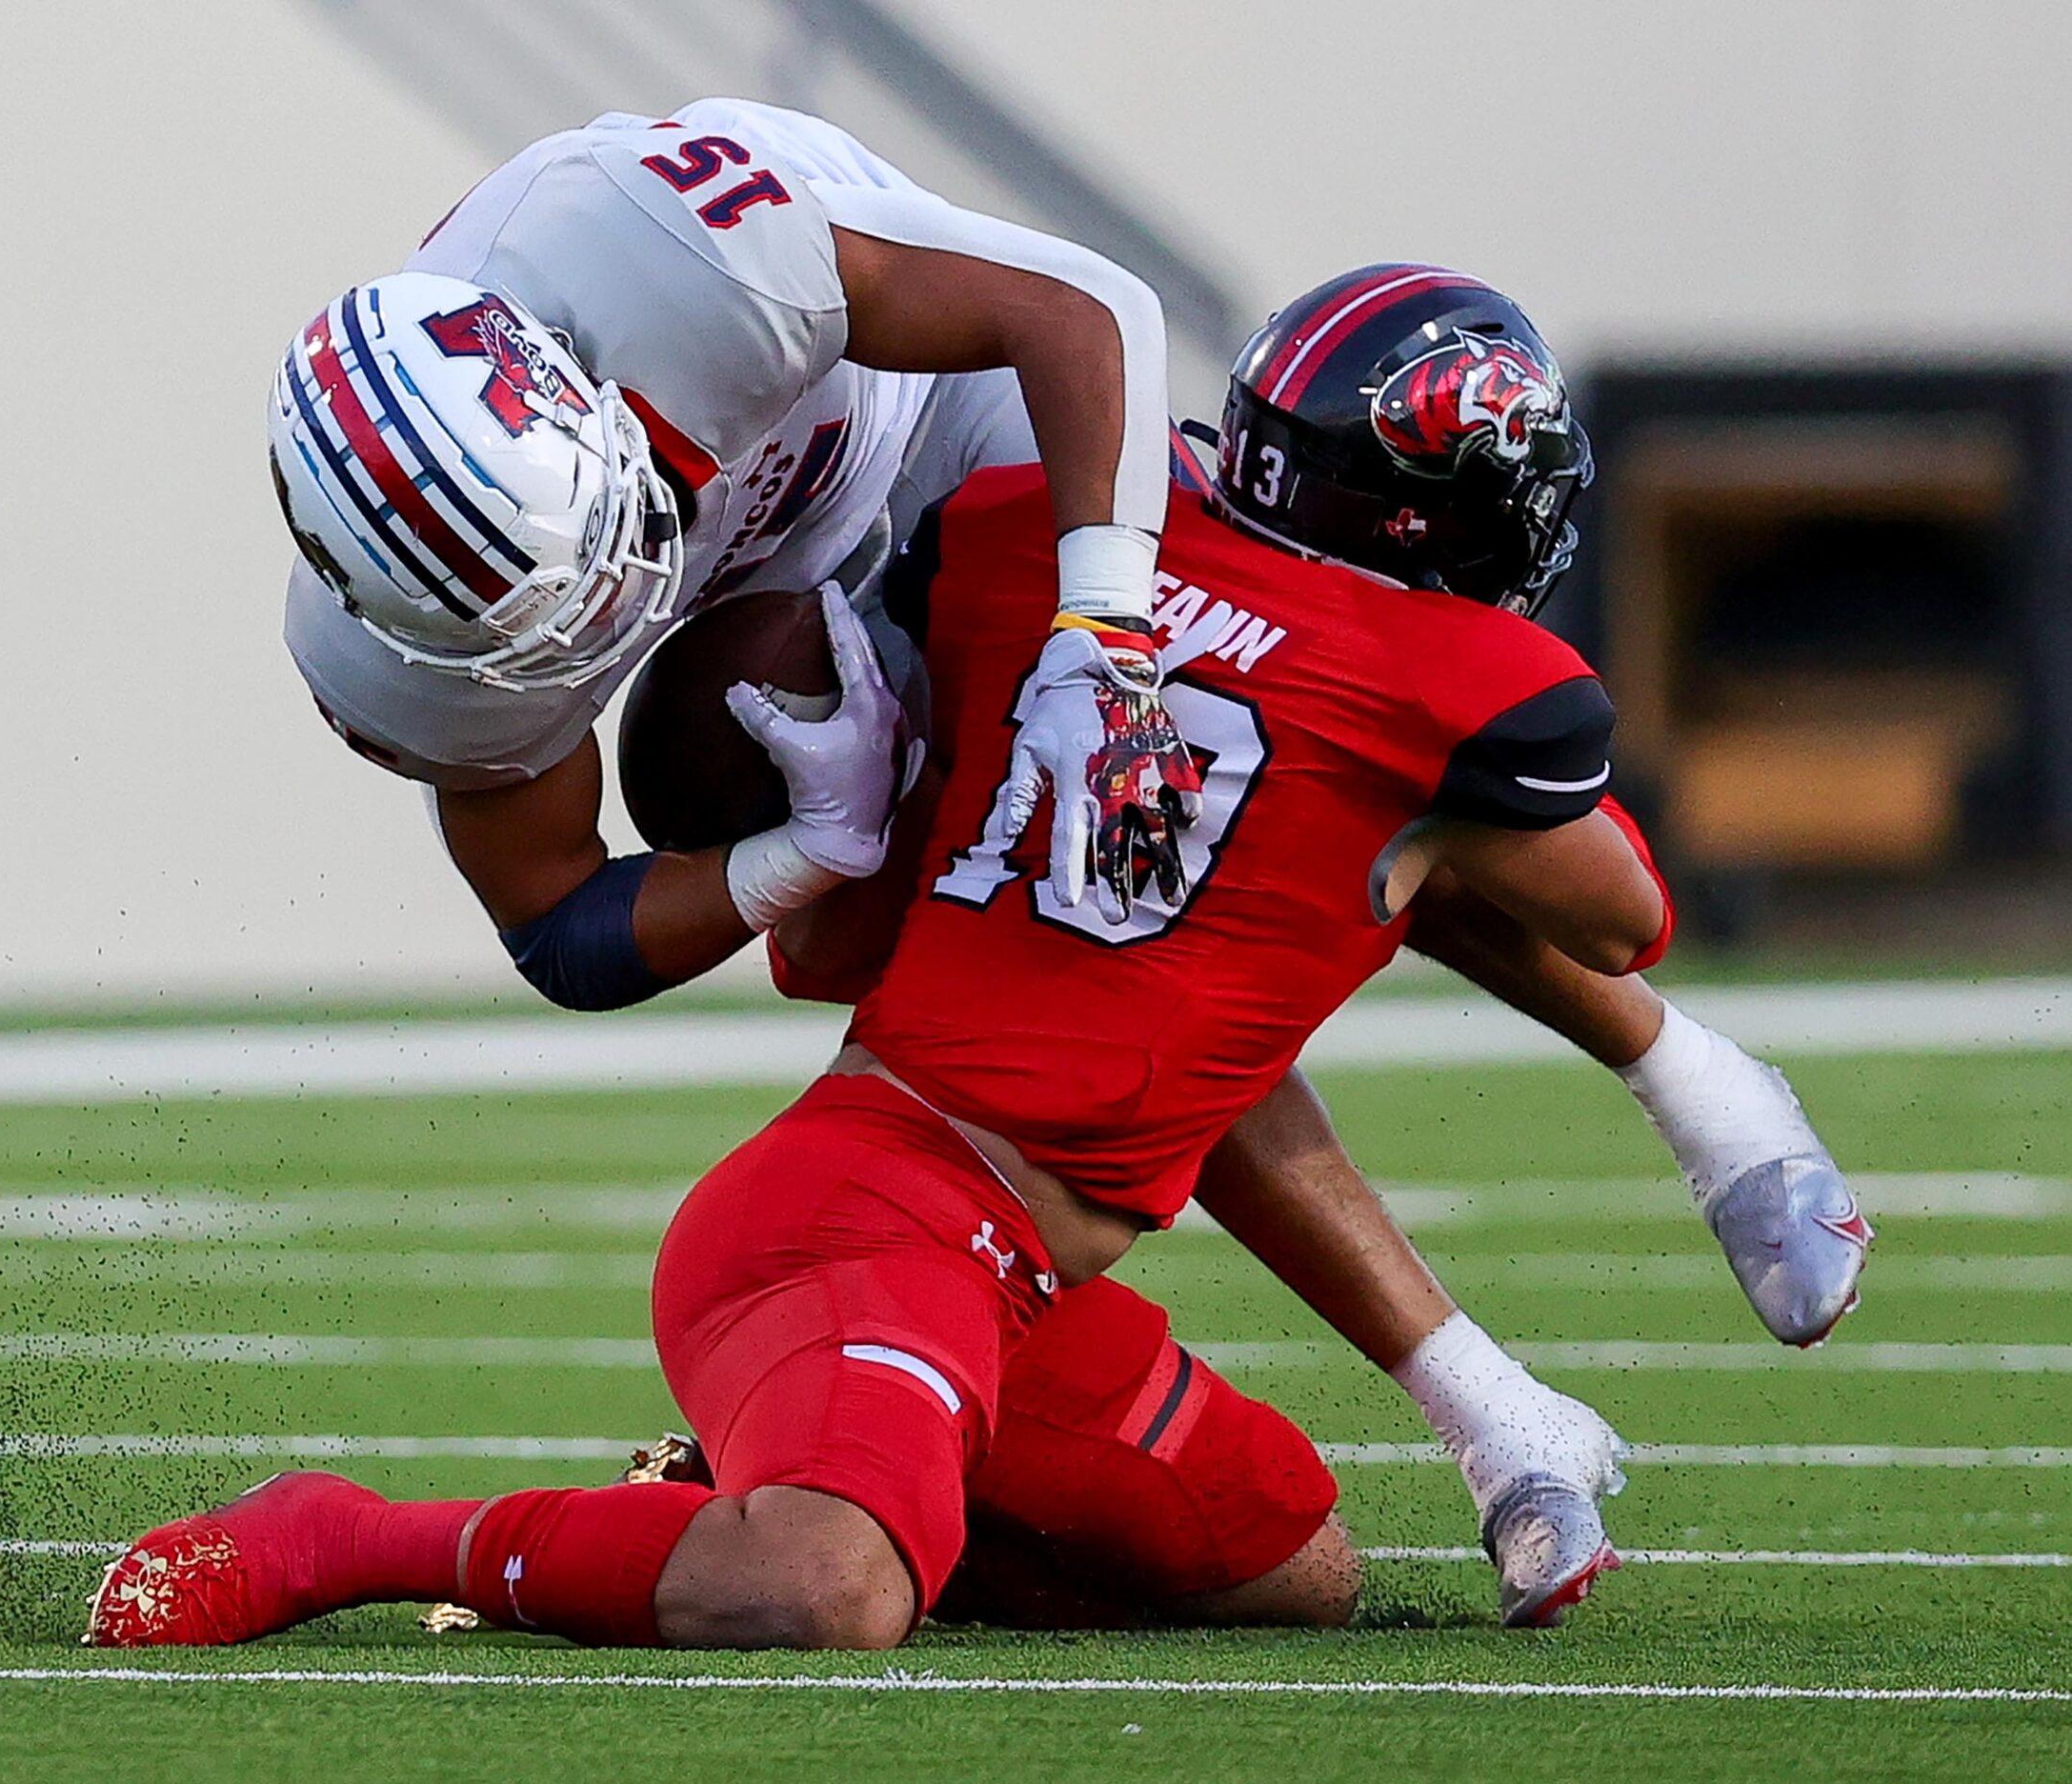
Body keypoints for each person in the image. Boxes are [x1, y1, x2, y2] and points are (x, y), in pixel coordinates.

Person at [91, 269, 1720, 1653]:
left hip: (1017, 1289)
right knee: (827, 1587)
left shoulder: (1049, 543)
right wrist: (1434, 775)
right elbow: (1621, 909)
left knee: (1291, 1562)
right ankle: (347, 1535)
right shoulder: (1445, 676)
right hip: (871, 1216)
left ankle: (761, 1488)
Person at [270, 103, 1868, 1353]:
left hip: (905, 402)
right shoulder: (417, 679)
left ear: (576, 402)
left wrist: (1098, 638)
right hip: (775, 580)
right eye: (550, 621)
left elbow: (1084, 307)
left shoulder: (688, 253)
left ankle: (1691, 1075)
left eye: (613, 545)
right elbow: (559, 923)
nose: (619, 601)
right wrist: (790, 855)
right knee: (1084, 906)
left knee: (1279, 730)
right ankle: (1468, 1391)